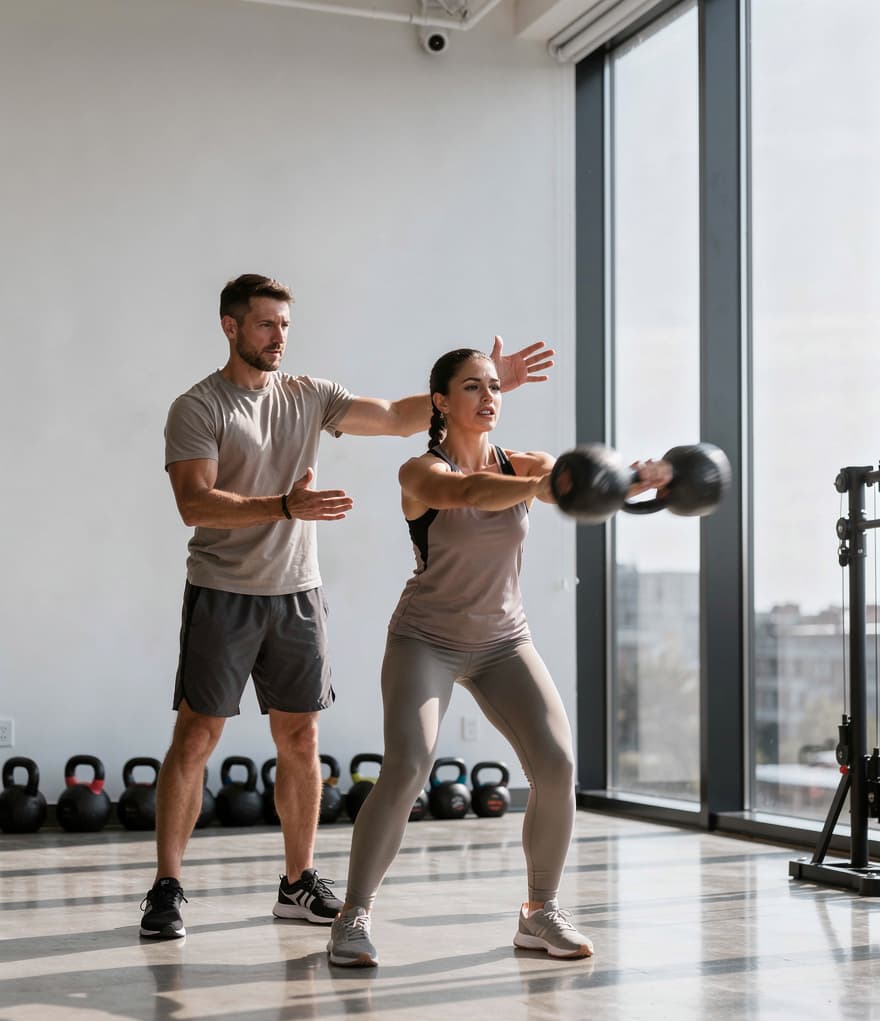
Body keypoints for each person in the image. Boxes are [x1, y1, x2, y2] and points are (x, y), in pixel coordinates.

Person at [139, 275, 555, 940]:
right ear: (231, 327)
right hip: (222, 593)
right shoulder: (198, 407)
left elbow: (393, 417)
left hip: (297, 593)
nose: (279, 336)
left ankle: (297, 883)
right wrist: (281, 506)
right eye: (266, 324)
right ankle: (167, 885)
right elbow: (194, 501)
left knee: (301, 738)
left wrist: (480, 385)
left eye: (285, 325)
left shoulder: (309, 396)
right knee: (196, 737)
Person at [326, 347, 672, 967]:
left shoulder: (529, 463)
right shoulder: (418, 472)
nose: (488, 397)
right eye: (471, 387)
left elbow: (586, 489)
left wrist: (642, 482)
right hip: (425, 638)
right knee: (407, 766)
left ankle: (539, 913)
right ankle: (353, 916)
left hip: (503, 641)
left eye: (494, 386)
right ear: (440, 401)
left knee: (558, 764)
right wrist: (546, 485)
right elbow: (473, 493)